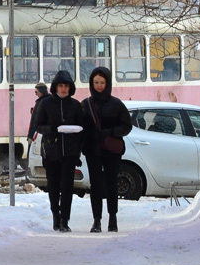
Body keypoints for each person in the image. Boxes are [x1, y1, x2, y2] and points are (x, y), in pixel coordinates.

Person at [34, 69, 85, 232]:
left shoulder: (76, 105)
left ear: (70, 88)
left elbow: (81, 128)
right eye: (60, 86)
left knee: (68, 187)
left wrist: (78, 150)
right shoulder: (46, 103)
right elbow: (38, 126)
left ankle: (65, 219)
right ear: (55, 87)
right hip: (52, 151)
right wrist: (53, 128)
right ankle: (56, 215)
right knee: (54, 186)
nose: (63, 89)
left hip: (70, 152)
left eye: (66, 86)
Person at [82, 67, 132, 232]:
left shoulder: (116, 104)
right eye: (96, 82)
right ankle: (96, 220)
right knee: (95, 185)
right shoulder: (86, 105)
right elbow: (80, 127)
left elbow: (127, 126)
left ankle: (113, 218)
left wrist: (111, 132)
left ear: (108, 83)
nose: (99, 86)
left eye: (102, 82)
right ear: (91, 83)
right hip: (92, 150)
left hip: (111, 150)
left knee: (111, 183)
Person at [23, 82, 50, 173]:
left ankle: (29, 174)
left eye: (36, 92)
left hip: (38, 134)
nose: (35, 94)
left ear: (41, 92)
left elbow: (35, 120)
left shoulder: (41, 102)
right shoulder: (45, 101)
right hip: (38, 133)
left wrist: (31, 135)